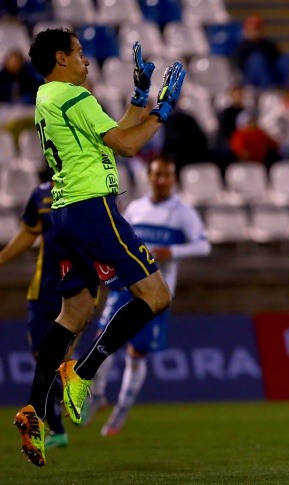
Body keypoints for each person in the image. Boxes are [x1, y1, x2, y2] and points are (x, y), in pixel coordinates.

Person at [13, 28, 186, 467]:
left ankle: (34, 407)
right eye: (80, 53)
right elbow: (128, 145)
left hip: (65, 216)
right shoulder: (74, 96)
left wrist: (141, 95)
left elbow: (111, 134)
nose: (87, 61)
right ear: (61, 58)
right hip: (93, 210)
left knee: (75, 312)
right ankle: (82, 373)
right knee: (156, 295)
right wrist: (163, 109)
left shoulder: (48, 98)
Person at [83, 155, 211, 436]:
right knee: (101, 339)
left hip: (155, 294)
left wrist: (172, 252)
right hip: (126, 287)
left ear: (173, 178)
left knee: (136, 353)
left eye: (166, 175)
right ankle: (98, 397)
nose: (161, 180)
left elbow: (204, 246)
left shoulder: (183, 212)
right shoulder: (136, 208)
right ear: (149, 177)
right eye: (156, 174)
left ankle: (121, 412)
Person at [0, 181, 71, 450]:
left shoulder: (87, 188)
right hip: (42, 292)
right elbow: (29, 233)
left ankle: (73, 398)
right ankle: (60, 426)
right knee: (42, 359)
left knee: (54, 360)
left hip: (73, 289)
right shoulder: (41, 194)